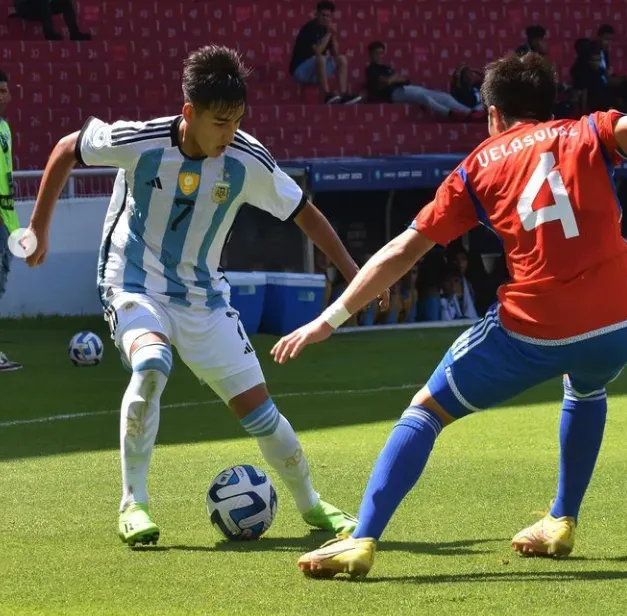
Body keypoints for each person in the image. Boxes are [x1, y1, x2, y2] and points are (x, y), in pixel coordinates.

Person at [271, 52, 627, 579]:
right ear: (548, 104)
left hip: (536, 328)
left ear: (493, 114)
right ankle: (561, 520)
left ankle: (361, 537)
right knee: (586, 385)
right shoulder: (586, 130)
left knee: (426, 410)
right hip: (620, 325)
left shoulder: (479, 166)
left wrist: (327, 319)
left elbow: (402, 251)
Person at [25, 45, 390, 546]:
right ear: (189, 112)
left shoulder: (245, 158)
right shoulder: (143, 140)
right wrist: (39, 228)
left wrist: (353, 272)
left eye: (238, 120)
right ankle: (134, 503)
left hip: (204, 298)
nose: (229, 133)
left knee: (262, 415)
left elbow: (302, 209)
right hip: (133, 284)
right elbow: (69, 147)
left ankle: (312, 505)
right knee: (151, 364)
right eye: (220, 122)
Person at [365, 42, 483, 121]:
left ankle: (470, 113)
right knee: (423, 98)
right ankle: (449, 113)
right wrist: (394, 78)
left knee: (442, 96)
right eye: (377, 52)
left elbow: (404, 79)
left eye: (381, 52)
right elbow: (385, 82)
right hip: (394, 93)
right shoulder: (371, 69)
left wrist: (393, 79)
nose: (379, 55)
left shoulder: (387, 68)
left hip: (406, 88)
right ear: (371, 54)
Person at [289, 1, 360, 104]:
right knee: (321, 58)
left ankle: (343, 95)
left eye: (328, 16)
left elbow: (335, 54)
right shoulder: (309, 28)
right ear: (316, 14)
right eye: (323, 15)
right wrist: (329, 33)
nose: (325, 18)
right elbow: (318, 51)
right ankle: (327, 94)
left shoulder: (327, 30)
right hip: (301, 71)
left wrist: (333, 36)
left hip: (316, 72)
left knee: (342, 59)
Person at [0, 70, 22, 372]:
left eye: (5, 90)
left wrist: (14, 226)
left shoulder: (5, 128)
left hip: (5, 219)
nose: (3, 95)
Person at [13, 0, 92, 40]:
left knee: (65, 3)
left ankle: (74, 33)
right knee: (43, 2)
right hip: (25, 6)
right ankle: (49, 33)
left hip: (43, 6)